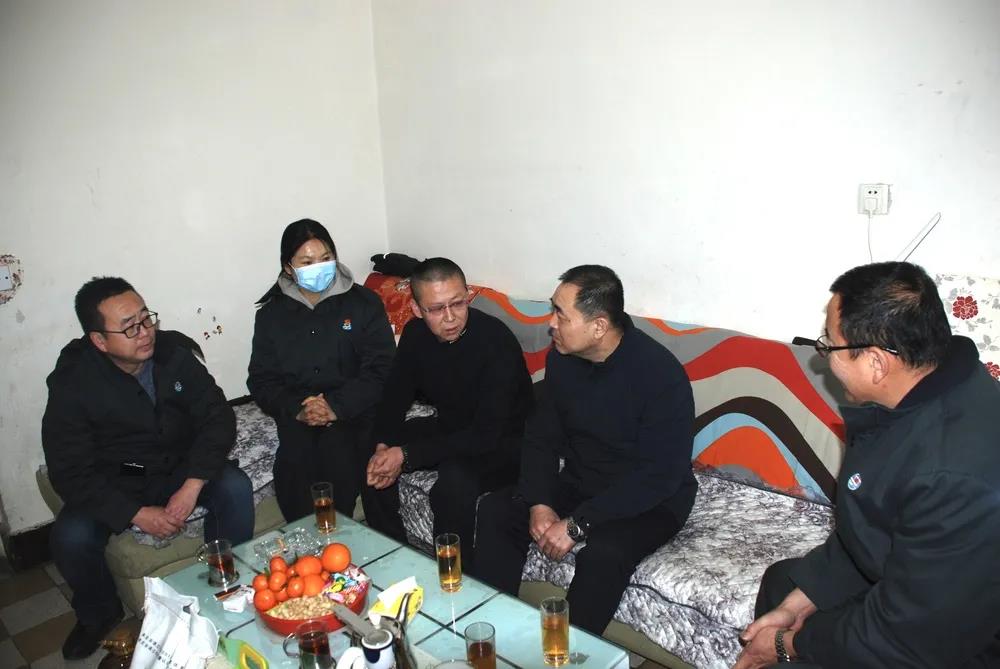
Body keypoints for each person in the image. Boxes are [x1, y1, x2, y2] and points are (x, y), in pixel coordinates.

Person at [736, 261, 1000, 669]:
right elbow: (875, 525)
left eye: (829, 345)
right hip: (919, 585)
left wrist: (788, 644)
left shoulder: (954, 475)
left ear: (876, 363)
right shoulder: (926, 392)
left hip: (957, 642)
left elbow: (909, 638)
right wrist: (802, 600)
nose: (823, 356)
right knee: (783, 585)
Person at [474, 264, 697, 635]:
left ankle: (569, 652)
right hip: (585, 480)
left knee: (604, 554)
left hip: (652, 498)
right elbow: (541, 434)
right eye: (553, 309)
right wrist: (540, 502)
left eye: (561, 315)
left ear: (598, 327)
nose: (551, 323)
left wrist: (579, 524)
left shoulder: (660, 375)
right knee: (499, 510)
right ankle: (492, 631)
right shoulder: (562, 358)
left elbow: (660, 475)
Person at [42, 277, 254, 660]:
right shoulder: (74, 383)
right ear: (99, 340)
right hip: (124, 472)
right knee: (71, 535)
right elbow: (69, 469)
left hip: (178, 461)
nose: (145, 332)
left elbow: (217, 416)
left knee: (235, 487)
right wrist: (137, 514)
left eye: (146, 318)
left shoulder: (173, 353)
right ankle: (98, 615)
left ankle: (222, 584)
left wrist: (192, 484)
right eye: (129, 327)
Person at [363, 257, 533, 566]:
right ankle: (391, 555)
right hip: (455, 428)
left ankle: (455, 576)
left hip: (507, 443)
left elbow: (486, 435)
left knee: (454, 483)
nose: (451, 317)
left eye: (457, 303)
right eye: (437, 309)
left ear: (467, 296)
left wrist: (406, 455)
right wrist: (384, 446)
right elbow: (394, 398)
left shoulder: (495, 341)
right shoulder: (416, 335)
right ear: (417, 309)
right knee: (371, 450)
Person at [248, 218, 394, 523]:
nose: (319, 267)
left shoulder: (364, 303)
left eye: (326, 258)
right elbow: (261, 379)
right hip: (299, 415)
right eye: (307, 262)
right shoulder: (272, 315)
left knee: (338, 457)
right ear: (289, 268)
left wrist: (335, 406)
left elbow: (381, 369)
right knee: (293, 470)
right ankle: (308, 546)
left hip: (353, 413)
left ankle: (337, 539)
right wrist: (298, 409)